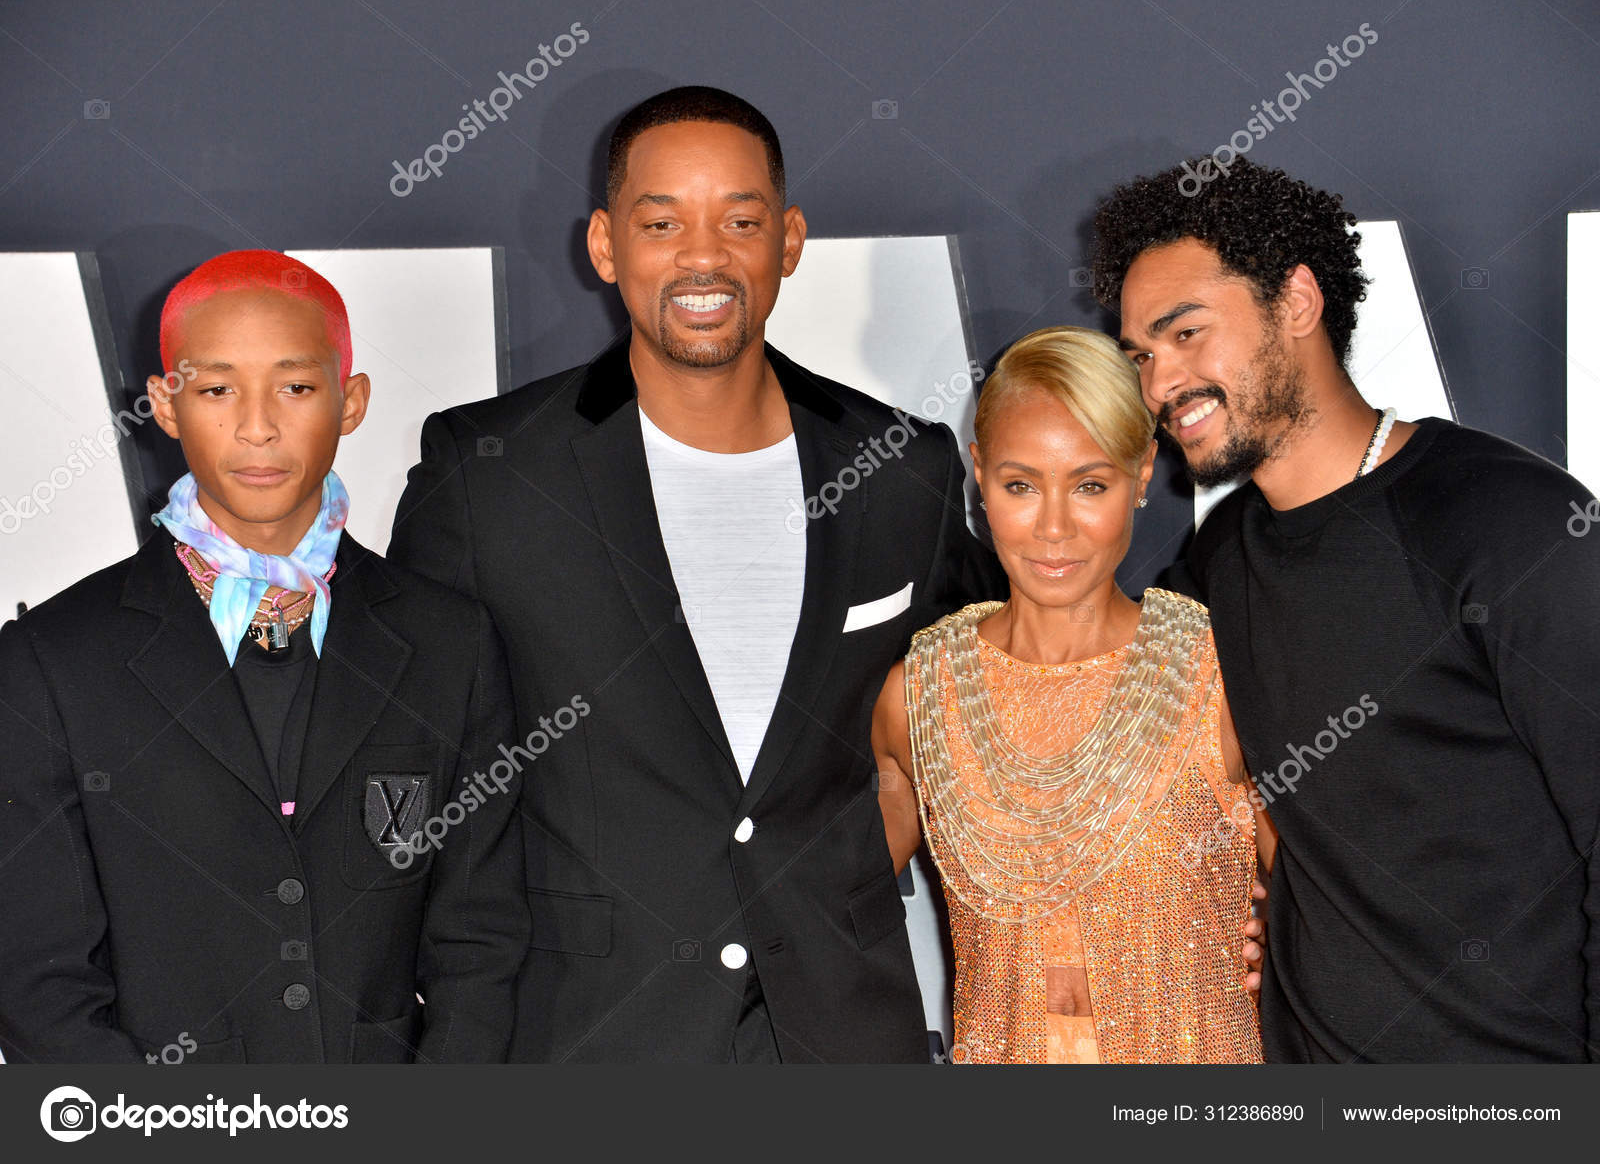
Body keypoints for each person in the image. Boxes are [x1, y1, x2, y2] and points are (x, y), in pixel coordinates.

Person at [389, 86, 1004, 1062]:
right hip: (588, 1042)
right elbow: (409, 760)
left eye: (741, 220)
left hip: (843, 1039)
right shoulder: (489, 473)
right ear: (604, 245)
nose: (703, 257)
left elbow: (989, 721)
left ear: (789, 240)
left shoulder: (900, 469)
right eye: (662, 221)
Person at [1095, 157, 1600, 1062]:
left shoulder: (1513, 526)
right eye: (1142, 355)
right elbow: (1114, 718)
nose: (1160, 385)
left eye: (1186, 334)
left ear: (1297, 300)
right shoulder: (1220, 560)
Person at [0, 250, 528, 1064]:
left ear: (349, 401)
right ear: (165, 405)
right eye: (217, 389)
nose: (257, 425)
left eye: (296, 386)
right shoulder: (51, 660)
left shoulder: (447, 643)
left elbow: (481, 942)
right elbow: (39, 981)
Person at [873, 325, 1272, 1064]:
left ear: (1143, 472)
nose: (1053, 527)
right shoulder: (921, 696)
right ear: (979, 474)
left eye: (1091, 484)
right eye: (1021, 485)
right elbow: (817, 908)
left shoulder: (1220, 676)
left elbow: (1347, 916)